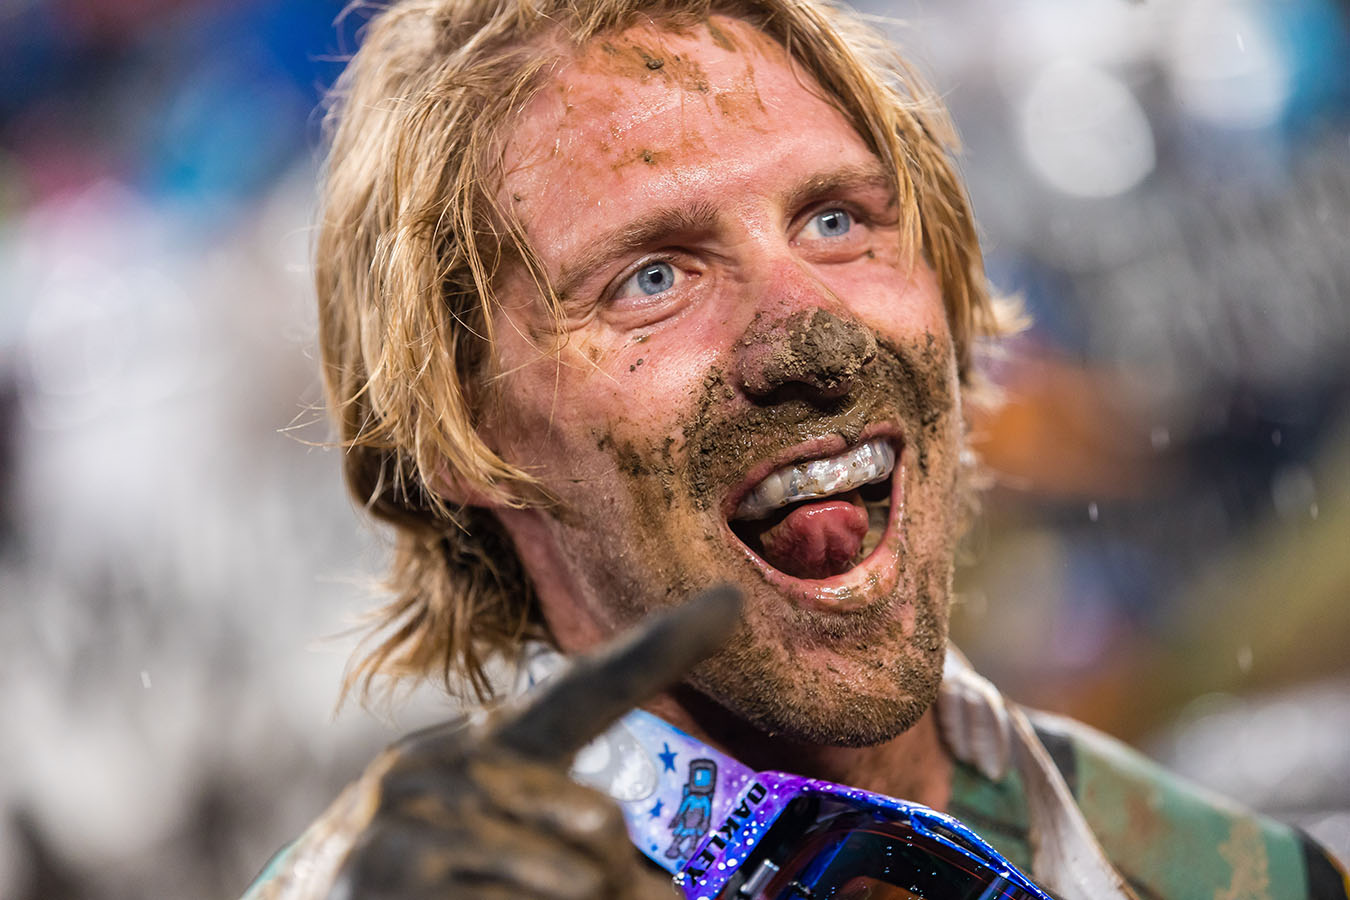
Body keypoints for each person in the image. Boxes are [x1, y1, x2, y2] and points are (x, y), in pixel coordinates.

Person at [244, 1, 1349, 897]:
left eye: (835, 221)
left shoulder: (1237, 876)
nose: (812, 336)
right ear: (461, 430)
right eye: (653, 278)